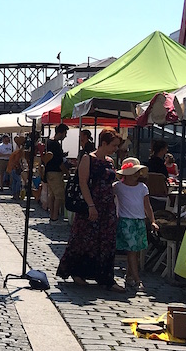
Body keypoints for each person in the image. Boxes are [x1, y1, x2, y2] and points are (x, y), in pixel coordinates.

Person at [57, 127, 126, 292]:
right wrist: (91, 205)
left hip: (107, 206)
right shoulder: (89, 159)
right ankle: (77, 272)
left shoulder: (109, 161)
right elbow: (83, 183)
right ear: (104, 143)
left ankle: (106, 277)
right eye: (113, 145)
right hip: (92, 204)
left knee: (107, 241)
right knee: (84, 239)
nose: (115, 149)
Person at [113, 157, 158, 290]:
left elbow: (147, 205)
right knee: (132, 251)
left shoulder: (142, 187)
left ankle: (129, 276)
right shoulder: (118, 187)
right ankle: (137, 280)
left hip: (139, 221)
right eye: (134, 172)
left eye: (138, 172)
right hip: (126, 221)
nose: (137, 175)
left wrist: (152, 221)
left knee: (136, 251)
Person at [43, 124, 69, 222]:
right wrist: (66, 172)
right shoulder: (56, 144)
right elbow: (59, 162)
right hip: (55, 172)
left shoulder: (48, 142)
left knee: (52, 194)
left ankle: (52, 215)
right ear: (61, 133)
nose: (65, 136)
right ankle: (55, 216)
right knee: (59, 195)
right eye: (65, 133)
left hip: (49, 171)